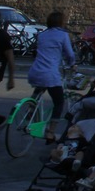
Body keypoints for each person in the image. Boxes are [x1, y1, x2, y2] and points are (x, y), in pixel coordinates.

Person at [28, 11, 75, 139]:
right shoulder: (63, 35)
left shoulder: (42, 35)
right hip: (49, 73)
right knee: (59, 101)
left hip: (35, 71)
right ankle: (51, 132)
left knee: (41, 86)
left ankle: (30, 108)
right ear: (61, 22)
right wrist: (72, 64)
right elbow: (69, 54)